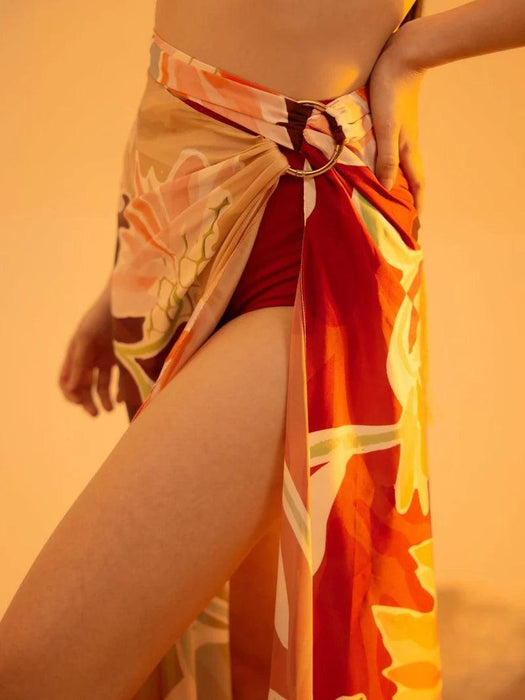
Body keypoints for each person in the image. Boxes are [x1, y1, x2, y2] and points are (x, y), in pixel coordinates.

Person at [0, 1, 524, 698]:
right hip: (174, 218)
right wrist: (130, 260)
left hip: (314, 234)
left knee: (36, 672)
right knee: (237, 657)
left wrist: (415, 50)